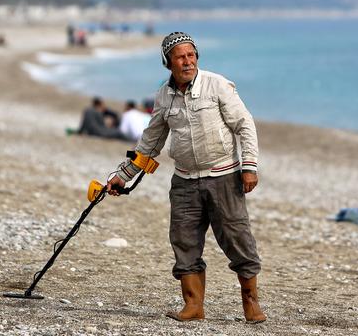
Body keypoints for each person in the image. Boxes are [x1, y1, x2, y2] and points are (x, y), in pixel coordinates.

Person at [106, 32, 266, 324]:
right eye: (180, 57)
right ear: (168, 63)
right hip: (184, 182)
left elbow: (245, 125)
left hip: (224, 177)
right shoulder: (164, 96)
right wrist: (122, 176)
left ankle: (251, 304)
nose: (187, 61)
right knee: (184, 241)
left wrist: (250, 166)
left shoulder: (217, 85)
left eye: (191, 55)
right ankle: (193, 307)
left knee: (237, 239)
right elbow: (150, 142)